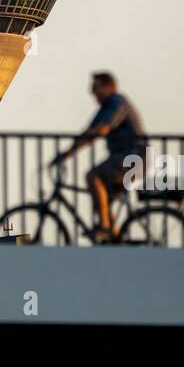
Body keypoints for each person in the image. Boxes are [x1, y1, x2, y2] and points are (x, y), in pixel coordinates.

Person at [54, 72, 147, 241]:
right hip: (127, 158)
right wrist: (66, 154)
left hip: (134, 156)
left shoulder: (118, 102)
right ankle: (117, 240)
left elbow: (101, 129)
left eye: (95, 88)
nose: (92, 93)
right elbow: (88, 134)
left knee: (92, 176)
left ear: (107, 87)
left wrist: (75, 147)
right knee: (102, 201)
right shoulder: (105, 107)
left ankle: (104, 227)